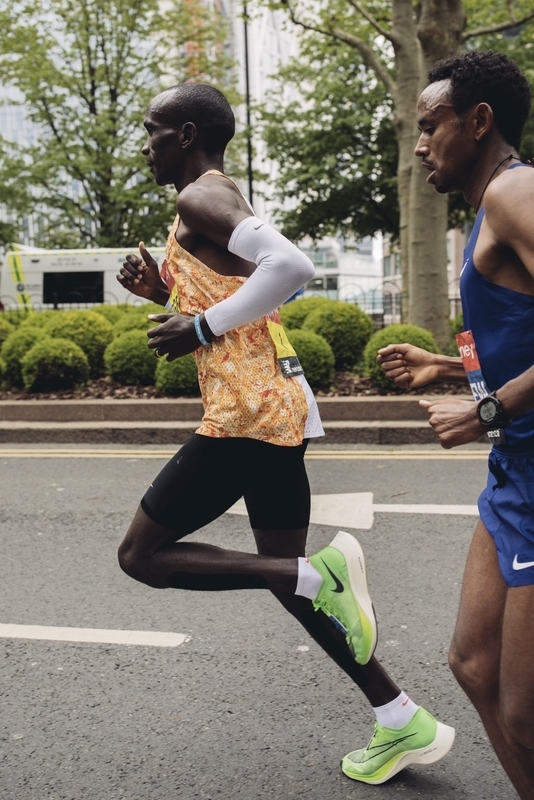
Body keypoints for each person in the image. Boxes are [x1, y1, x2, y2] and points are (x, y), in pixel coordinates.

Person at [117, 82, 454, 785]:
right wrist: (168, 298)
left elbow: (291, 269)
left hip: (246, 415)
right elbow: (243, 291)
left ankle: (315, 571)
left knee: (142, 556)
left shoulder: (200, 195)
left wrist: (200, 326)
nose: (142, 144)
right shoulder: (209, 203)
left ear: (184, 134)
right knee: (289, 582)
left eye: (150, 130)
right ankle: (399, 717)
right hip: (275, 407)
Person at [377, 51, 534, 799]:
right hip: (516, 476)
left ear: (478, 122)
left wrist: (485, 410)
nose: (418, 144)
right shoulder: (489, 210)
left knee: (527, 711)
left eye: (429, 125)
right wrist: (448, 366)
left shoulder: (515, 192)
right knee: (473, 667)